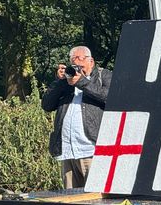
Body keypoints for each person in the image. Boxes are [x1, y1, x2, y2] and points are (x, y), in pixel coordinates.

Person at [42, 46, 112, 189]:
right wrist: (60, 81)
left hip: (92, 150)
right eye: (74, 60)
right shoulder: (66, 83)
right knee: (72, 202)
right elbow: (47, 105)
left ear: (91, 61)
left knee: (96, 199)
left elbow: (110, 97)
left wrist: (81, 82)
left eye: (81, 59)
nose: (77, 64)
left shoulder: (102, 75)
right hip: (68, 151)